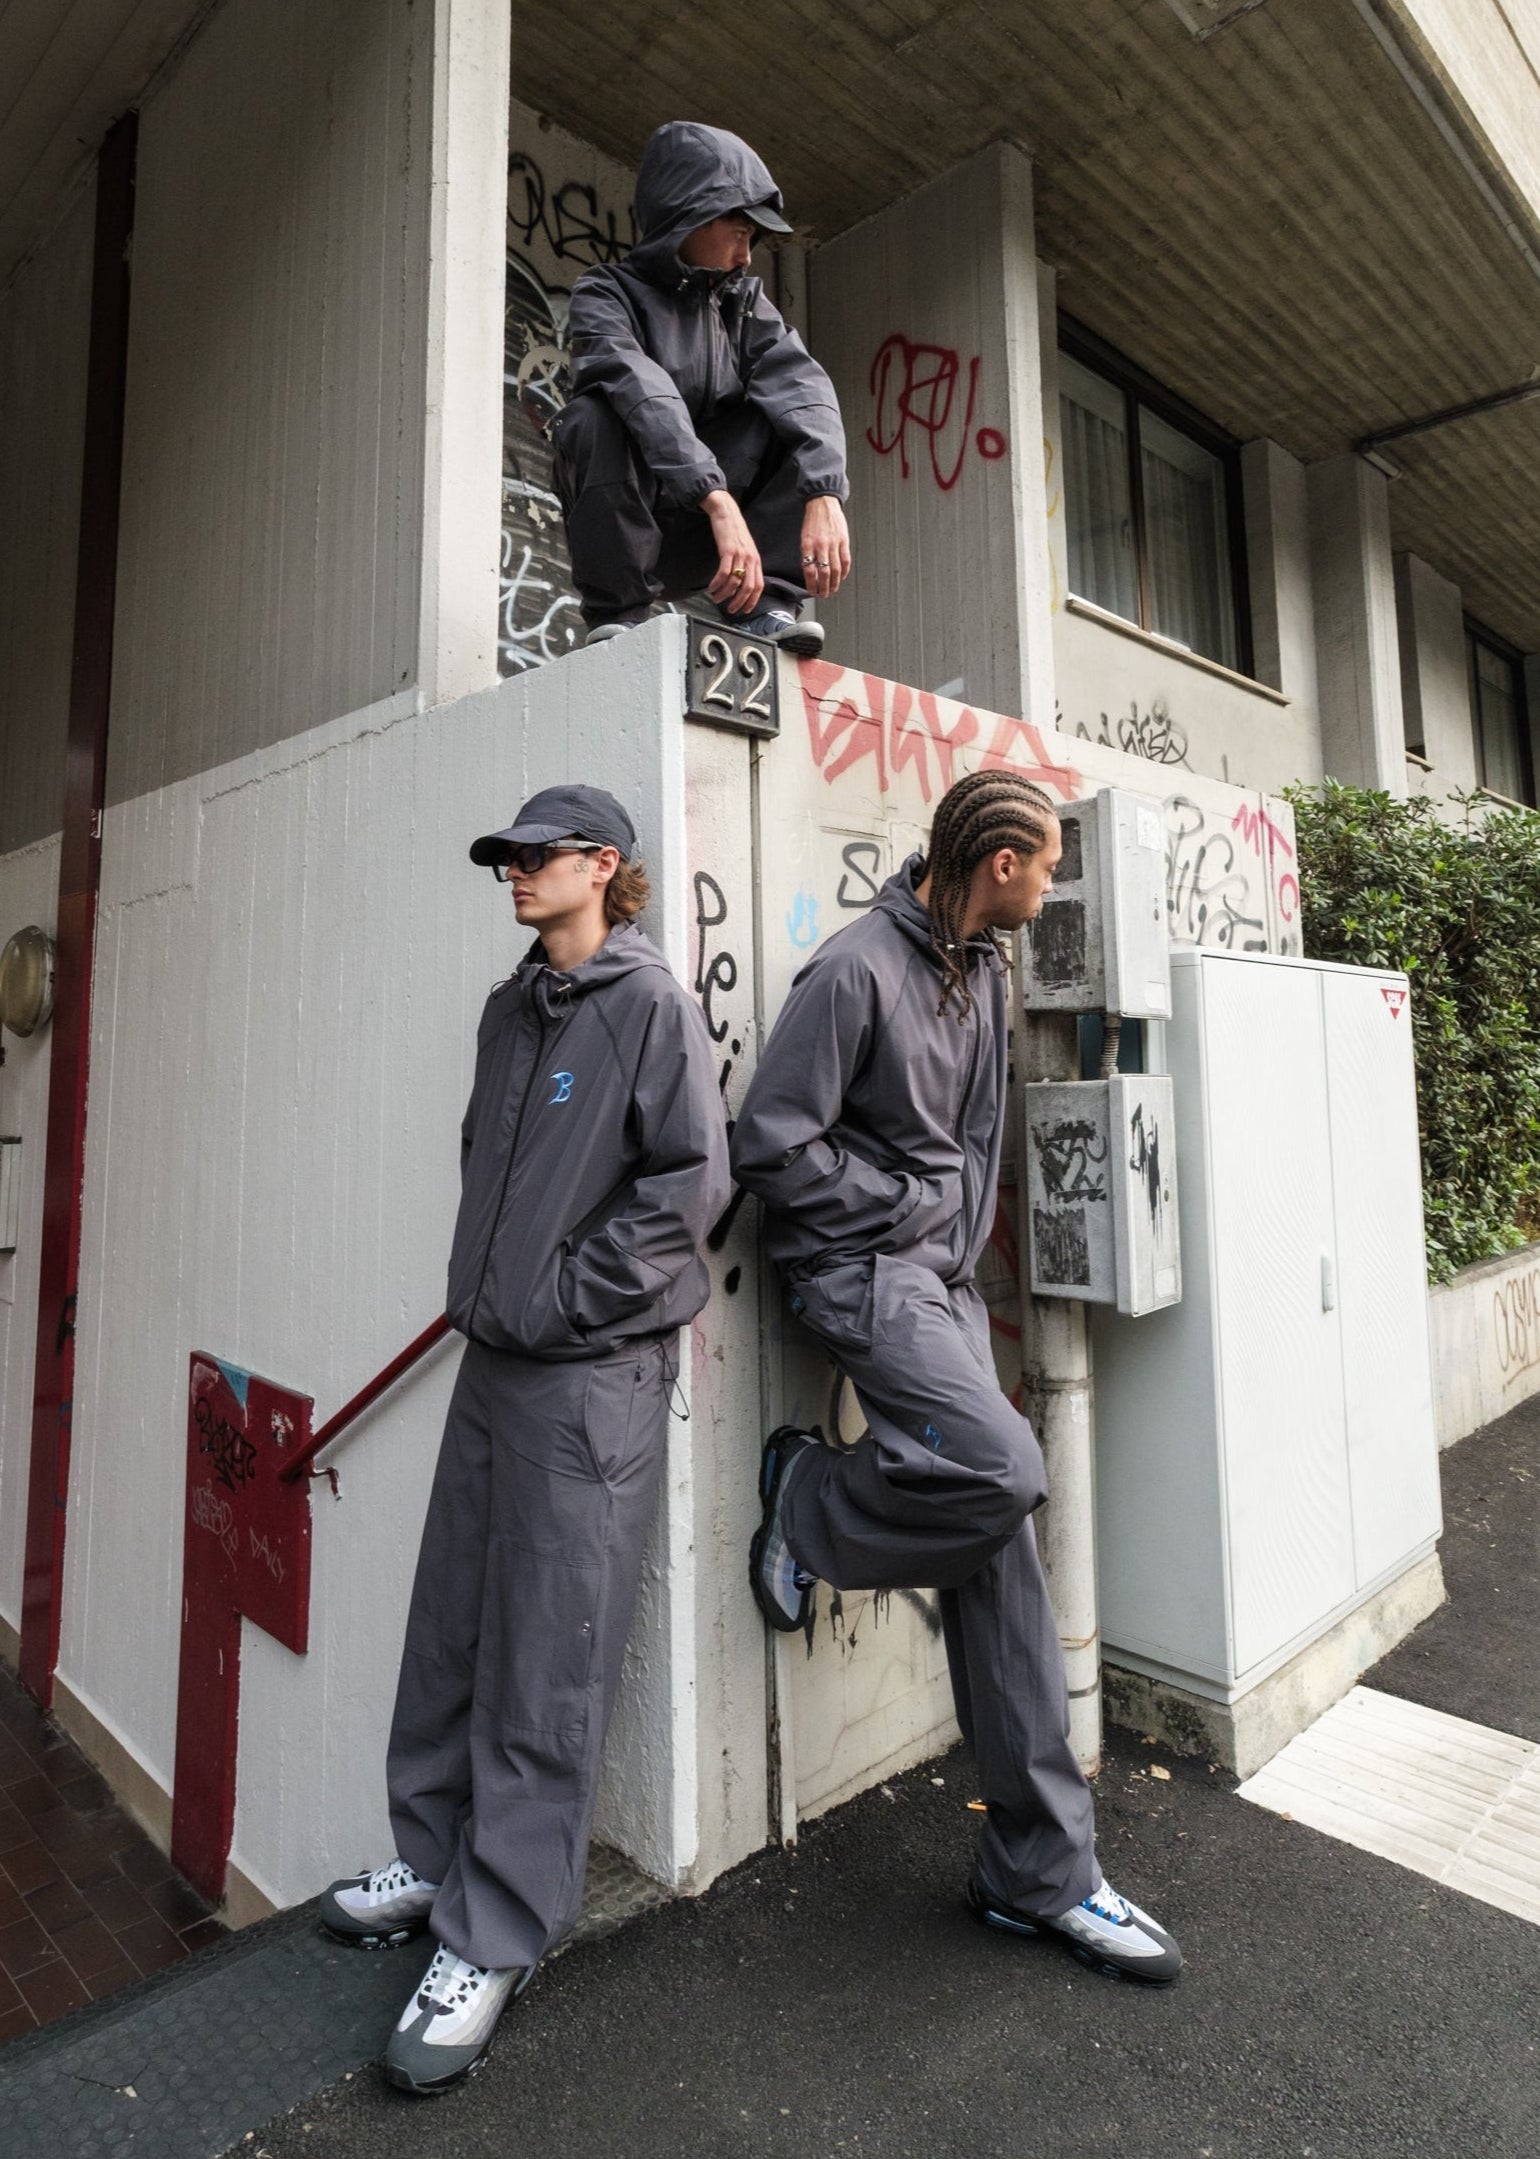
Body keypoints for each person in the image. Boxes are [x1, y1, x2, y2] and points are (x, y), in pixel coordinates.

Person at [731, 769, 1182, 1985]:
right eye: (1043, 862)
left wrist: (952, 1237)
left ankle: (1036, 1871)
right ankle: (810, 1502)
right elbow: (768, 1140)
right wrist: (906, 1208)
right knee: (1003, 1467)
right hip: (860, 1274)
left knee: (998, 1541)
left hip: (933, 1285)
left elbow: (968, 1143)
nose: (1053, 880)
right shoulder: (854, 970)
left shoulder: (983, 965)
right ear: (998, 864)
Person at [319, 784, 732, 2091]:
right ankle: (433, 1851)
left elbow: (689, 1191)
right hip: (494, 1361)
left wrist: (560, 1296)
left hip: (588, 1377)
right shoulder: (512, 1009)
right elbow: (483, 1165)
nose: (513, 871)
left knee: (551, 1646)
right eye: (505, 856)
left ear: (604, 867)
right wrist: (496, 1294)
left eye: (535, 855)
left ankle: (492, 1929)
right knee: (451, 1618)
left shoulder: (649, 1005)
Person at [551, 120, 851, 656]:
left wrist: (824, 490)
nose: (746, 256)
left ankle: (768, 608)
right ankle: (621, 614)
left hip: (725, 547)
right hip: (640, 525)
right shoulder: (606, 293)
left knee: (789, 414)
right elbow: (646, 396)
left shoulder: (745, 306)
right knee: (593, 416)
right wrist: (715, 498)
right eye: (740, 234)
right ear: (690, 217)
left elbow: (804, 386)